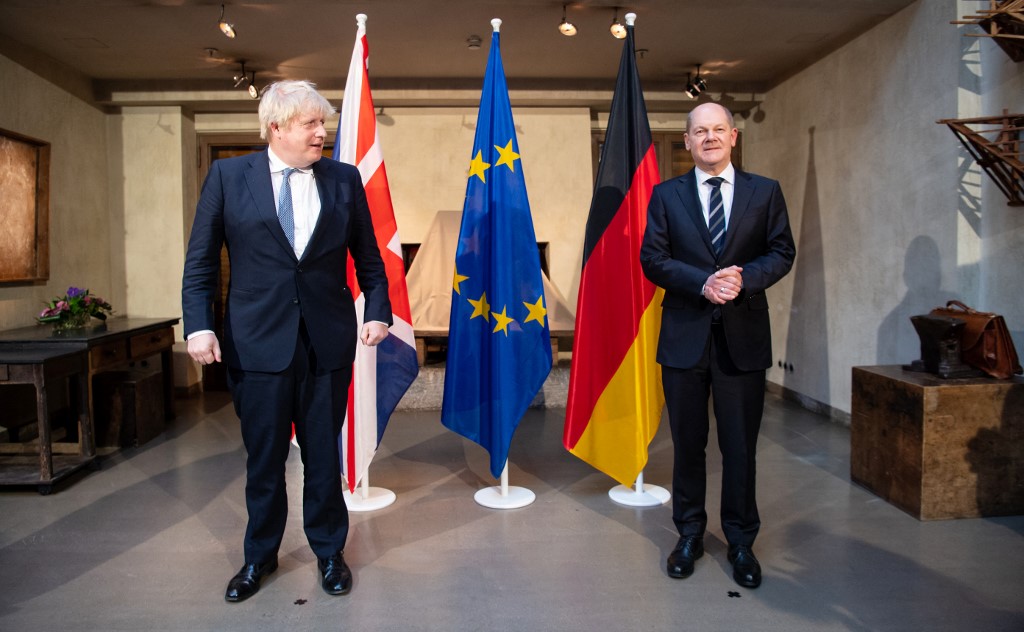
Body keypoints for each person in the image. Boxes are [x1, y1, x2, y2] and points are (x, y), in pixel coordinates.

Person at [181, 80, 392, 603]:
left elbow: (371, 258)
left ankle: (328, 552)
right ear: (276, 127)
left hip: (327, 342)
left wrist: (380, 310)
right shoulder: (229, 176)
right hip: (257, 343)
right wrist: (199, 323)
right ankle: (259, 557)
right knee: (265, 458)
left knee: (323, 457)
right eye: (311, 124)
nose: (323, 132)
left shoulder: (344, 179)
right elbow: (202, 259)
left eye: (323, 123)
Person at [640, 102, 795, 589]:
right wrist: (703, 282)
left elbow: (781, 251)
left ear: (733, 136)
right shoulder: (666, 196)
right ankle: (688, 534)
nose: (709, 137)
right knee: (688, 445)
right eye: (699, 131)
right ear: (686, 141)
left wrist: (743, 278)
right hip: (684, 339)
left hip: (742, 341)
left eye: (717, 129)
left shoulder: (765, 192)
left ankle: (741, 541)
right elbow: (654, 258)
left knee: (740, 447)